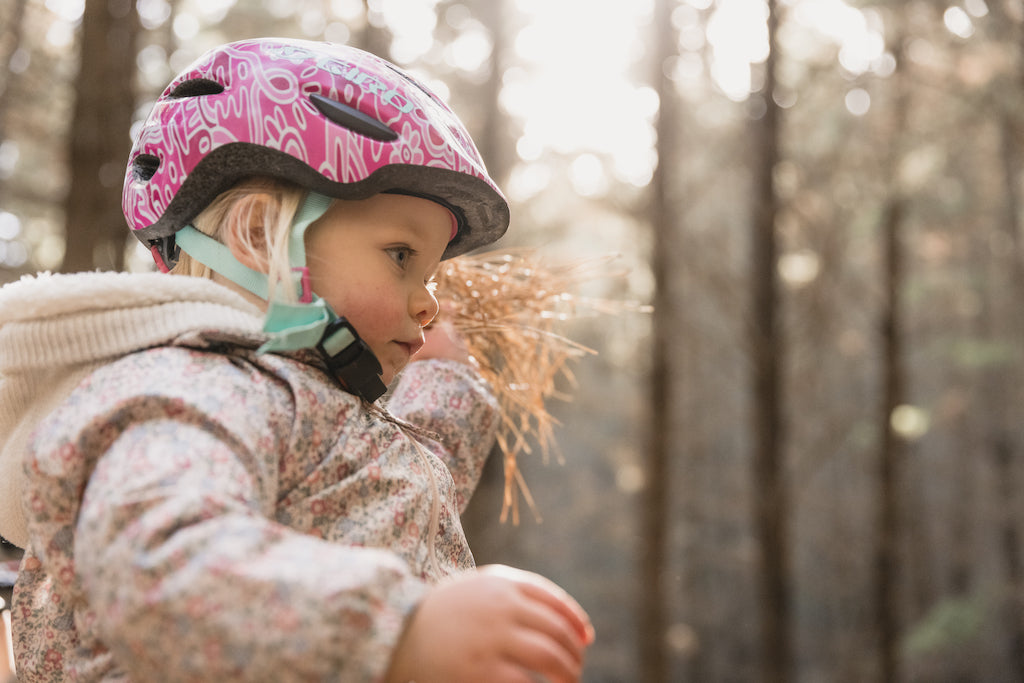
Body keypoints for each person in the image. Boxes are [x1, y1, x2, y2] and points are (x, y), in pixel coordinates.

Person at [0, 38, 593, 682]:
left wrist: (444, 377)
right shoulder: (191, 389)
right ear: (259, 237)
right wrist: (396, 628)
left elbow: (379, 493)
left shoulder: (311, 405)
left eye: (433, 277)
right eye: (401, 256)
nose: (428, 303)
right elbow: (157, 559)